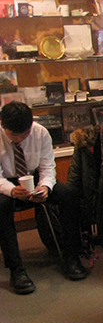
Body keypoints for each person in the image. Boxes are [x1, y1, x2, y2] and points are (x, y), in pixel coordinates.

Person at [1, 102, 87, 293]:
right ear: (3, 125)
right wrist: (12, 190)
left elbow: (48, 167)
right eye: (14, 135)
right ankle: (16, 269)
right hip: (6, 184)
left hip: (35, 178)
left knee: (68, 196)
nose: (20, 139)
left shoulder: (40, 132)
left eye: (24, 133)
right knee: (2, 206)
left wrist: (45, 187)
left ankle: (72, 256)